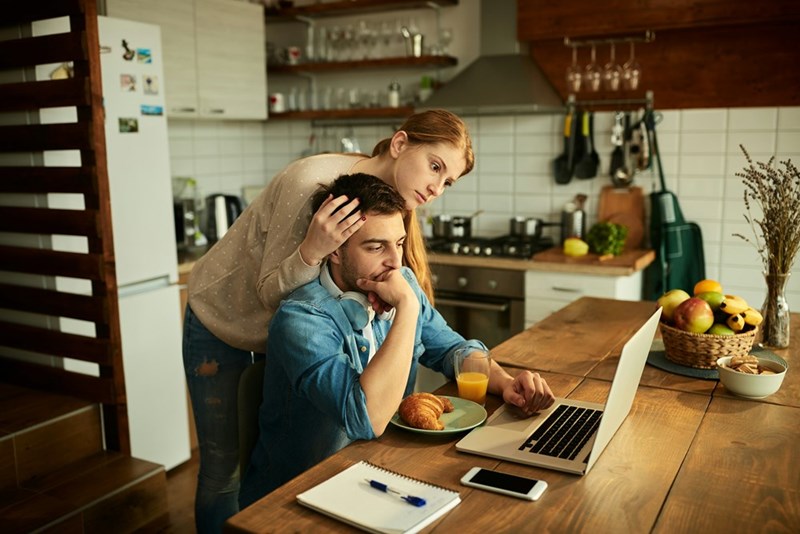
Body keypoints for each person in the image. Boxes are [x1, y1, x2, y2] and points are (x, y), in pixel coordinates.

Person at [183, 109, 475, 532]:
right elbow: (275, 296)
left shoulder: (385, 197)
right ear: (399, 144)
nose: (437, 186)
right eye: (435, 166)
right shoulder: (312, 190)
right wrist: (312, 250)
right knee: (222, 470)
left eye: (448, 180)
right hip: (224, 319)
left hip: (287, 334)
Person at [238, 174, 555, 507]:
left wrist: (505, 384)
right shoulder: (302, 320)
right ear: (334, 250)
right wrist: (407, 308)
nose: (395, 262)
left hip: (379, 473)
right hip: (296, 498)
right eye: (376, 247)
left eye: (399, 243)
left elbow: (451, 349)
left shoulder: (398, 280)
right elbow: (365, 418)